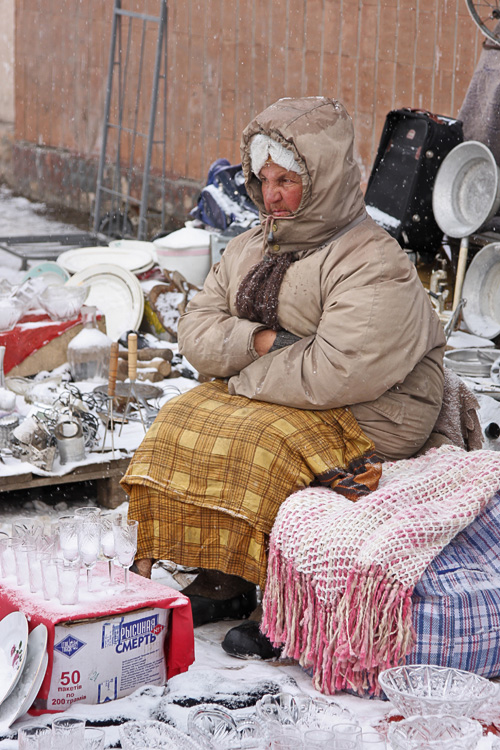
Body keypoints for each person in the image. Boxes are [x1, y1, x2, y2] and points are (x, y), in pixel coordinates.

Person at [121, 96, 445, 659]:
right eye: (263, 178)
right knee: (179, 419)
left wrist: (241, 373)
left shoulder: (372, 259)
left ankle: (288, 608)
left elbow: (337, 369)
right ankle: (225, 577)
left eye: (288, 180)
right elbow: (197, 332)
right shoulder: (254, 244)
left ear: (323, 180)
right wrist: (261, 340)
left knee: (261, 447)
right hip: (291, 388)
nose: (271, 195)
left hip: (379, 409)